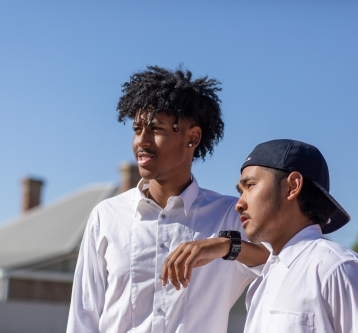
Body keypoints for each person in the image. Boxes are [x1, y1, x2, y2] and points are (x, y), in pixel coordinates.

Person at [66, 66, 268, 333]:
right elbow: (83, 316)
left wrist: (224, 246)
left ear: (192, 137)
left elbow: (279, 263)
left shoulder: (230, 214)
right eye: (137, 129)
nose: (141, 141)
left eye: (155, 129)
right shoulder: (106, 215)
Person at [163, 139, 358, 332]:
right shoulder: (267, 278)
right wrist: (225, 245)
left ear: (292, 186)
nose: (239, 204)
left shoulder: (337, 268)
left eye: (250, 186)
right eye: (240, 191)